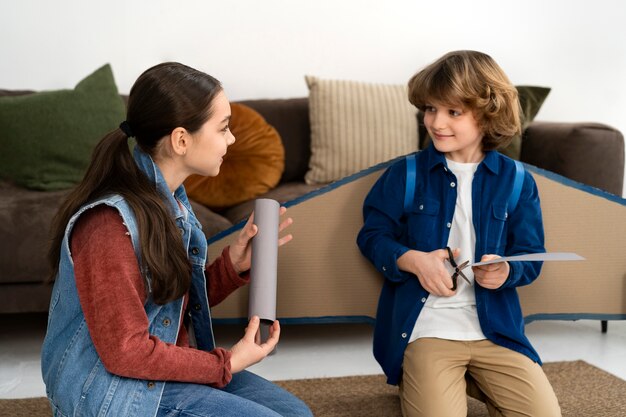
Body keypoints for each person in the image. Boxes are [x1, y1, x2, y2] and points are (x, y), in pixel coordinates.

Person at [41, 62, 313, 417]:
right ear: (181, 140)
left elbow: (165, 306)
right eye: (224, 128)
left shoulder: (171, 205)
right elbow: (126, 351)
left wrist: (231, 265)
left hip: (156, 369)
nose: (231, 139)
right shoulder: (109, 225)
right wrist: (226, 362)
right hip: (108, 392)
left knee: (296, 414)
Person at [356, 50, 561, 417]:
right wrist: (412, 260)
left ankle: (467, 379)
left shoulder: (517, 181)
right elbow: (372, 236)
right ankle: (430, 377)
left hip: (495, 331)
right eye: (431, 109)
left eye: (453, 112)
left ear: (487, 114)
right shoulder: (405, 175)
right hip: (426, 329)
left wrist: (507, 270)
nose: (436, 122)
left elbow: (531, 252)